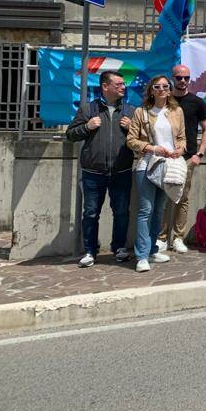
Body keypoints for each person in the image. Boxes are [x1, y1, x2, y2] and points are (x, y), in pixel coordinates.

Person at [65, 71, 135, 267]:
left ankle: (119, 248)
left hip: (121, 172)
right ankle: (90, 251)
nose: (123, 87)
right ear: (105, 86)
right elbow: (70, 134)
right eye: (119, 84)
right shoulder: (88, 109)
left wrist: (132, 128)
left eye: (124, 84)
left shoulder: (130, 111)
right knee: (91, 213)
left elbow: (143, 138)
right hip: (93, 173)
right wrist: (87, 127)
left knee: (121, 212)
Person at [126, 75, 186, 272]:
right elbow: (131, 140)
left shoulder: (177, 111)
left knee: (159, 211)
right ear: (151, 90)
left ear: (170, 90)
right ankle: (141, 255)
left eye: (165, 86)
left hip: (169, 166)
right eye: (157, 86)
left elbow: (182, 138)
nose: (161, 89)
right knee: (145, 211)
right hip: (147, 165)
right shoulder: (141, 112)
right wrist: (152, 148)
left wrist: (180, 148)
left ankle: (152, 250)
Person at [157, 64, 206, 255]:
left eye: (186, 78)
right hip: (164, 157)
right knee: (163, 198)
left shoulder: (197, 102)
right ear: (172, 78)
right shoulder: (163, 100)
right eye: (179, 77)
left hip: (187, 158)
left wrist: (200, 154)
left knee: (183, 198)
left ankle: (178, 237)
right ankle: (161, 238)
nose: (182, 81)